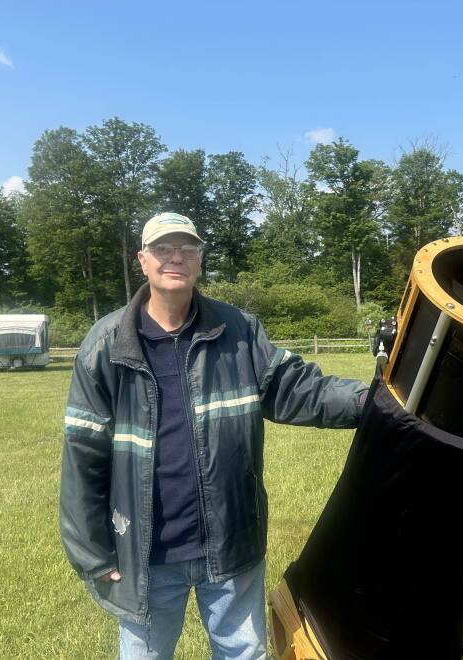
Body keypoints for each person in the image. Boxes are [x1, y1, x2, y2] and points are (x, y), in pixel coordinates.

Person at [60, 212, 368, 659]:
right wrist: (94, 554)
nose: (176, 257)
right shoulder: (104, 345)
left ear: (199, 260)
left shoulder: (238, 330)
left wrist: (372, 402)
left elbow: (299, 390)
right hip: (145, 555)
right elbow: (82, 455)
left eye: (187, 248)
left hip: (231, 544)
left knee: (244, 654)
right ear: (142, 260)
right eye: (163, 249)